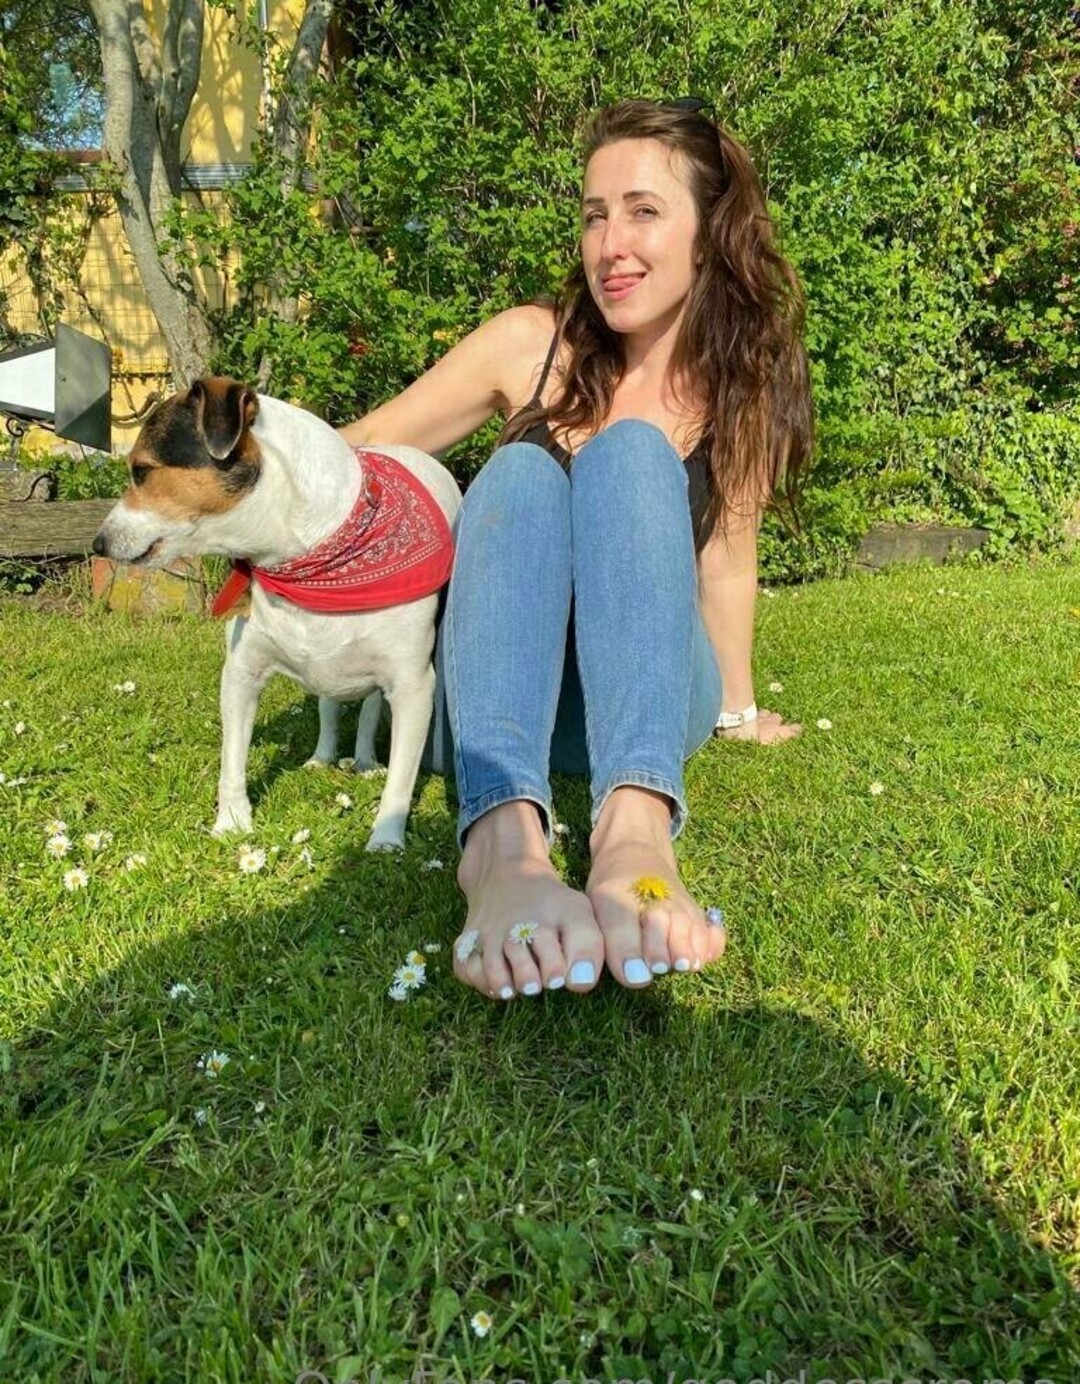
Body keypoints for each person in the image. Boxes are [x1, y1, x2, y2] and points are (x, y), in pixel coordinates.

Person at [340, 98, 812, 1001]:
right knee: (518, 475)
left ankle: (636, 829)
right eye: (595, 216)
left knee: (630, 453)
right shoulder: (531, 344)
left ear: (709, 236)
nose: (610, 245)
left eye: (643, 211)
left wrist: (739, 711)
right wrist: (232, 478)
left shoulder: (741, 390)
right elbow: (359, 455)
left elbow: (726, 563)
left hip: (648, 698)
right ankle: (502, 846)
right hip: (498, 697)